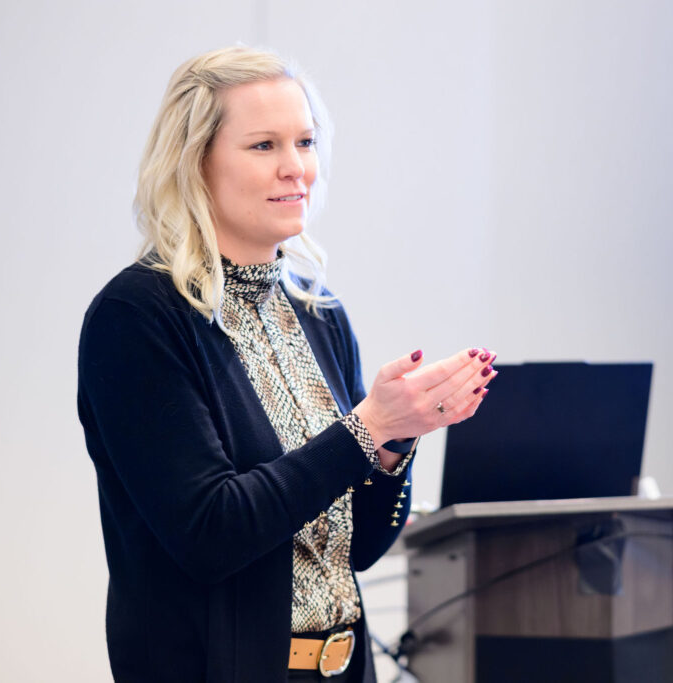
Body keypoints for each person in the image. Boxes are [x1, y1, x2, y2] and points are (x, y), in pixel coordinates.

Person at [77, 46, 496, 682]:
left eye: (305, 141)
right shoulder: (137, 316)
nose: (296, 167)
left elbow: (354, 549)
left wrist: (393, 438)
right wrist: (365, 429)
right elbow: (210, 532)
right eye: (264, 146)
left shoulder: (318, 310)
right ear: (195, 163)